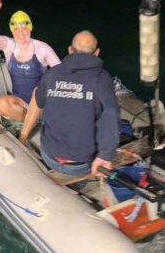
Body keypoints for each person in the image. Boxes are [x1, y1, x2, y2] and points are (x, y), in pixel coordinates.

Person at [19, 30, 119, 177]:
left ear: (70, 50)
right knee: (108, 111)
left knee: (38, 92)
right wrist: (105, 155)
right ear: (96, 53)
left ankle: (23, 135)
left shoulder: (52, 73)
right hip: (81, 165)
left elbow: (39, 101)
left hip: (50, 157)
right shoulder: (102, 78)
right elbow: (111, 114)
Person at [0, 0, 61, 122]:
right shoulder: (9, 45)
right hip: (20, 105)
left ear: (30, 28)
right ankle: (28, 122)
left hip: (41, 105)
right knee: (1, 103)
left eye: (24, 29)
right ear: (11, 31)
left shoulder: (42, 48)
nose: (21, 34)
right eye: (16, 30)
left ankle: (30, 122)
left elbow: (62, 73)